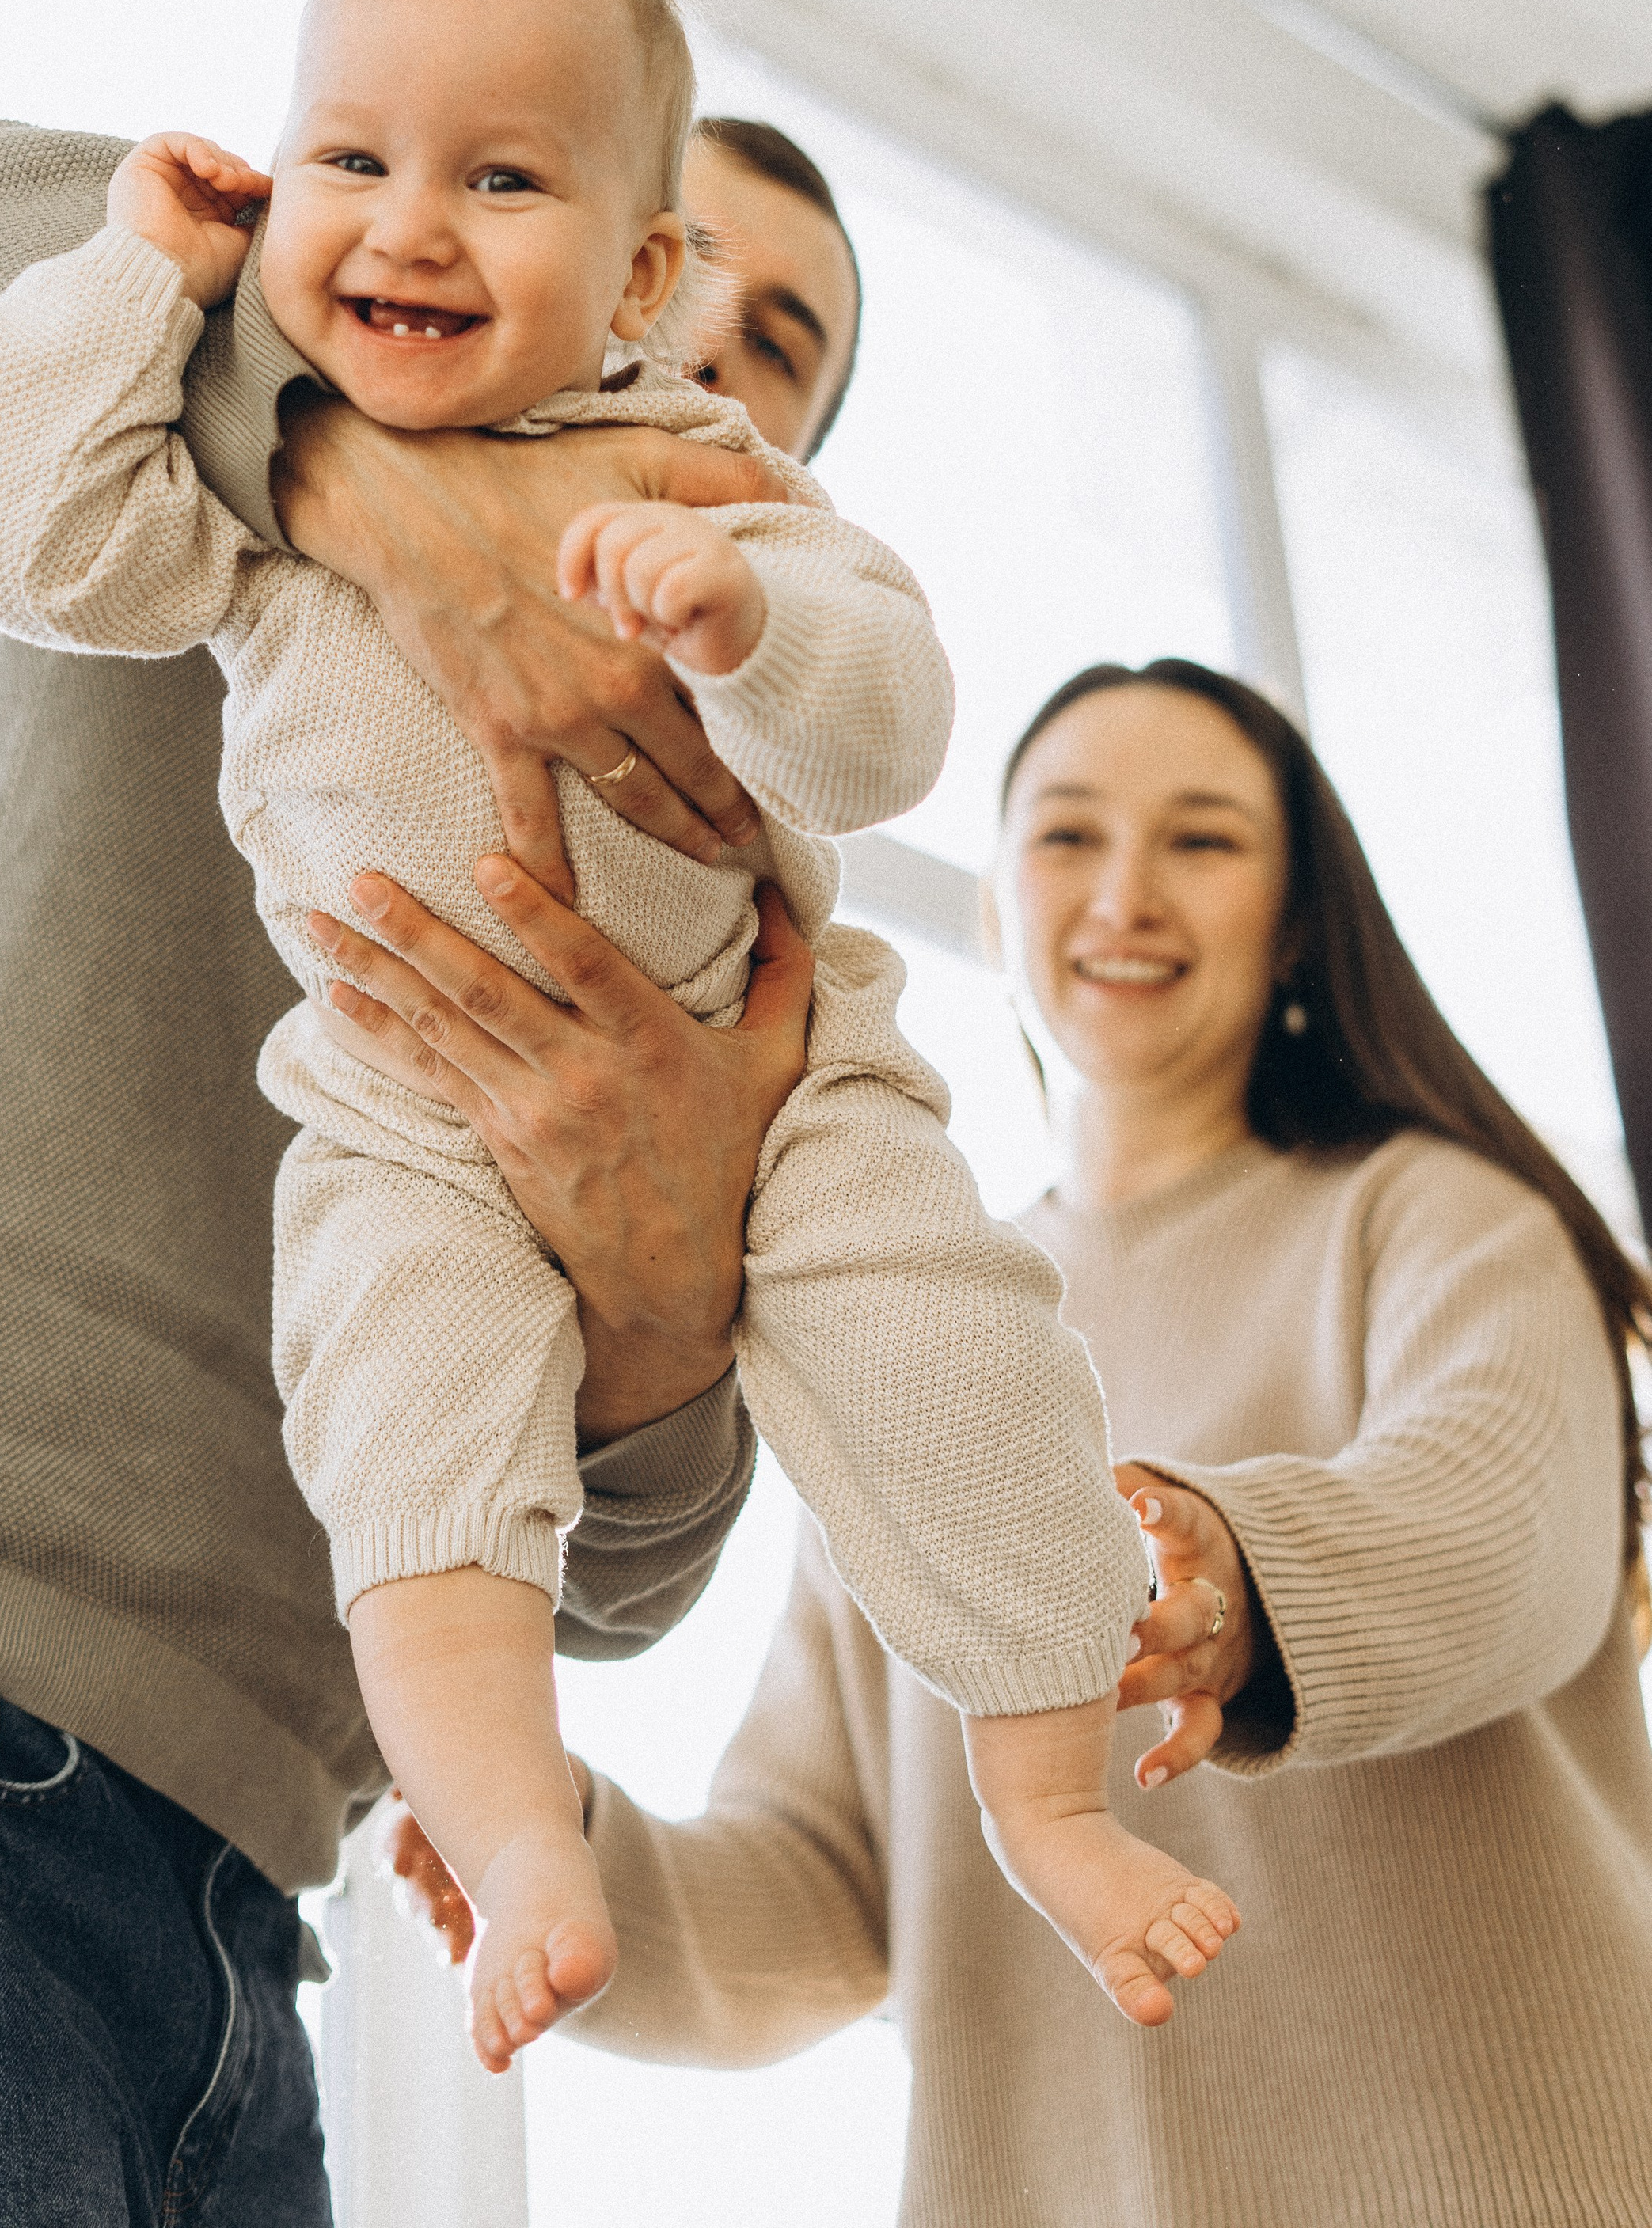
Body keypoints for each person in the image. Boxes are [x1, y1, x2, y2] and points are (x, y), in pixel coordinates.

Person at [0, 0, 1222, 2067]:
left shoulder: (701, 478)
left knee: (964, 1367)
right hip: (398, 1106)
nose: (410, 226)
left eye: (499, 181)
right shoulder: (254, 475)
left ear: (640, 286)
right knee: (411, 1451)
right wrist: (146, 269)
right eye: (351, 163)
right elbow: (29, 537)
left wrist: (741, 616)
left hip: (770, 1089)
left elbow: (886, 717)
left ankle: (1044, 1802)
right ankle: (517, 1831)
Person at [0, 55, 875, 2216]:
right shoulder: (194, 445)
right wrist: (342, 462)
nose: (705, 328)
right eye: (677, 250)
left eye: (781, 344)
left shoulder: (705, 841)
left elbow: (630, 1575)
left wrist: (664, 1273)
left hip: (241, 1878)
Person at [381, 655, 1652, 2225]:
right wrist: (559, 1853)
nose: (1124, 892)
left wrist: (1236, 1577)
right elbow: (836, 1891)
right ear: (990, 911)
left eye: (1199, 841)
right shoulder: (904, 1323)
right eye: (1062, 838)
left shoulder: (1440, 1220)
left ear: (1298, 919)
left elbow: (1504, 1541)